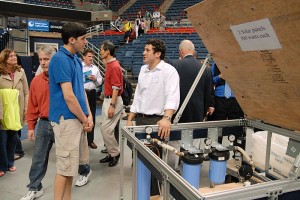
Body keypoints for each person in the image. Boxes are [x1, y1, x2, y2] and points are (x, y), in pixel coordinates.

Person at [126, 39, 180, 195]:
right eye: (144, 49)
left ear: (158, 54)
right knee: (138, 160)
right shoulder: (143, 70)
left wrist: (167, 118)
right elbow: (138, 96)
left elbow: (172, 96)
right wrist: (130, 118)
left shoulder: (168, 71)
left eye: (148, 50)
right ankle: (142, 194)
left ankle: (155, 195)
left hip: (155, 121)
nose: (144, 53)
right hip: (140, 120)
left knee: (154, 164)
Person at [48, 22, 93, 200]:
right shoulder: (60, 59)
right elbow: (68, 96)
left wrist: (88, 115)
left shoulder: (75, 59)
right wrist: (83, 119)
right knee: (64, 169)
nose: (86, 42)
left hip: (76, 119)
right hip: (66, 119)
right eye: (83, 39)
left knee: (70, 170)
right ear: (72, 40)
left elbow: (80, 91)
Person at [20, 45, 56, 200]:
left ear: (53, 59)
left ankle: (85, 170)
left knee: (68, 157)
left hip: (62, 123)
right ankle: (35, 187)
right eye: (41, 59)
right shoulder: (35, 81)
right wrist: (30, 127)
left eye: (46, 59)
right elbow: (32, 106)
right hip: (43, 124)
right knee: (38, 158)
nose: (43, 62)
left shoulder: (62, 79)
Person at [0, 49, 29, 177]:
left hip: (17, 110)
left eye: (14, 55)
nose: (14, 57)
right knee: (2, 138)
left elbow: (26, 92)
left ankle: (10, 162)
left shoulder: (20, 71)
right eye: (11, 56)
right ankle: (2, 165)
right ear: (4, 59)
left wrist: (26, 108)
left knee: (13, 137)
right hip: (3, 110)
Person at [172, 40, 213, 123]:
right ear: (193, 51)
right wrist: (204, 111)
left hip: (177, 113)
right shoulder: (205, 69)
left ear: (181, 51)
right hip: (198, 112)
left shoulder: (174, 65)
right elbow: (208, 93)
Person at [99, 40, 123, 167]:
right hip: (108, 100)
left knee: (105, 130)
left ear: (107, 51)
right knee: (107, 130)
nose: (100, 51)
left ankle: (115, 153)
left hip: (112, 101)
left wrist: (112, 106)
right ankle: (110, 153)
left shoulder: (114, 66)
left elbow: (116, 88)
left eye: (102, 49)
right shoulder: (110, 64)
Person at [210, 63, 244, 144]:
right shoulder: (215, 66)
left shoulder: (240, 65)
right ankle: (216, 148)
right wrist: (219, 77)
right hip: (219, 99)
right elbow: (210, 81)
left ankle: (237, 150)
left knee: (236, 125)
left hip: (235, 99)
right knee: (218, 126)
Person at [82, 49, 103, 149]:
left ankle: (90, 141)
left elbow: (100, 81)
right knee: (80, 116)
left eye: (92, 57)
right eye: (89, 56)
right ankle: (80, 141)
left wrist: (95, 79)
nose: (91, 58)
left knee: (92, 116)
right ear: (84, 57)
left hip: (92, 93)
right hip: (82, 93)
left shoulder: (95, 68)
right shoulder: (79, 67)